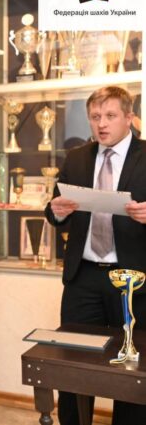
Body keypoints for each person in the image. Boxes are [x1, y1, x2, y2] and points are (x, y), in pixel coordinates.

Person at [45, 86, 146, 425]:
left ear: (129, 118)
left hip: (133, 279)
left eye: (110, 116)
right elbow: (54, 212)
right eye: (95, 117)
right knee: (73, 363)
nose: (102, 124)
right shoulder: (76, 158)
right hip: (83, 278)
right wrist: (56, 211)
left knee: (132, 368)